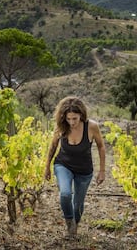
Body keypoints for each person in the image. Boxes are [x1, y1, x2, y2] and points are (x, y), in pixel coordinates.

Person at [44, 96, 106, 238]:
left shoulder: (92, 126)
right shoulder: (61, 126)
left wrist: (102, 171)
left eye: (75, 119)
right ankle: (70, 224)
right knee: (65, 194)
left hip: (84, 171)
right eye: (68, 119)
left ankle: (75, 225)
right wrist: (47, 166)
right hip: (63, 165)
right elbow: (53, 146)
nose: (71, 122)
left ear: (81, 116)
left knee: (78, 204)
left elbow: (101, 147)